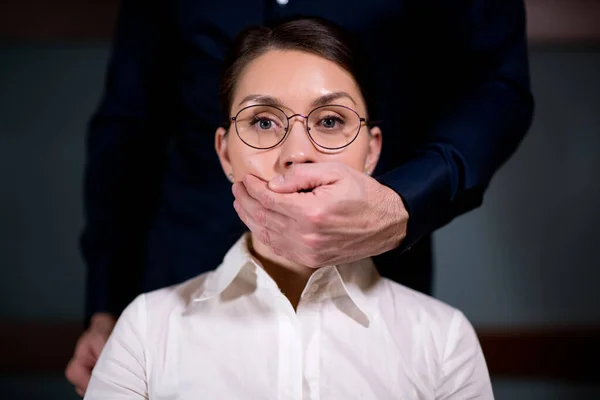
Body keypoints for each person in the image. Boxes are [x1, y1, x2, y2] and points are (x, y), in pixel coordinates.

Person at [66, 0, 533, 395]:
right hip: (186, 247)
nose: (297, 153)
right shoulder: (145, 331)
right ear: (223, 149)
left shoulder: (441, 341)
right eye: (263, 122)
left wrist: (402, 200)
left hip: (387, 257)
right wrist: (109, 302)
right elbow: (129, 122)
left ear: (373, 147)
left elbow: (497, 82)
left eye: (330, 121)